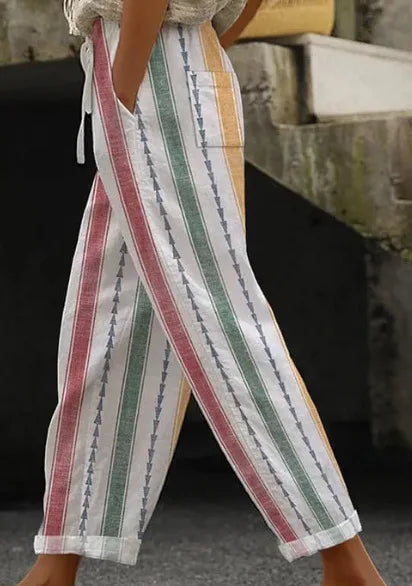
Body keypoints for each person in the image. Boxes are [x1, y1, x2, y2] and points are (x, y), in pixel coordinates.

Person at [18, 0, 387, 584]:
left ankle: (345, 557)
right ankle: (57, 559)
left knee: (220, 325)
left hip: (151, 81)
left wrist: (126, 85)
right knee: (111, 321)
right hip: (179, 67)